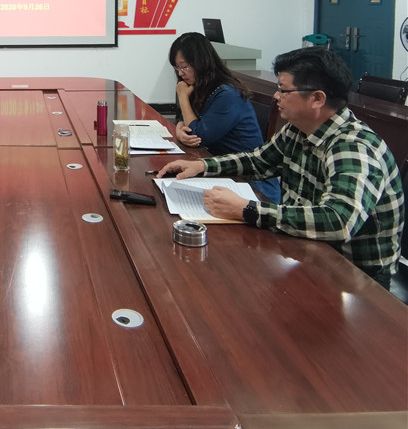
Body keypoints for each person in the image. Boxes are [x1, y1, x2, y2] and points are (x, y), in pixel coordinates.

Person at [157, 47, 404, 288]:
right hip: (306, 250)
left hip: (356, 280)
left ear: (317, 98)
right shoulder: (299, 129)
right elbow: (257, 161)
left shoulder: (354, 147)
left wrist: (247, 209)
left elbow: (339, 221)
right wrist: (201, 165)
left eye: (283, 90)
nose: (276, 96)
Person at [169, 32, 281, 202]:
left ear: (201, 63)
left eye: (184, 67)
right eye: (177, 68)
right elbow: (184, 118)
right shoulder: (201, 86)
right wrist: (179, 129)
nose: (180, 74)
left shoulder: (227, 94)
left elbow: (197, 136)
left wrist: (182, 97)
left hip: (249, 180)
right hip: (217, 166)